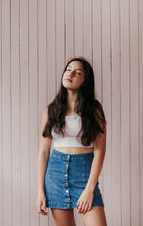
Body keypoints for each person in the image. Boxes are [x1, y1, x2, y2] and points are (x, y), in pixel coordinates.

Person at [36, 57, 107, 226]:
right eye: (68, 69)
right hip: (55, 175)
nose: (71, 73)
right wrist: (40, 191)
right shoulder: (50, 110)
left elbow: (99, 151)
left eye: (78, 72)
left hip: (84, 175)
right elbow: (44, 153)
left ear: (85, 80)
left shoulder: (94, 109)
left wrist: (89, 189)